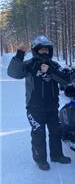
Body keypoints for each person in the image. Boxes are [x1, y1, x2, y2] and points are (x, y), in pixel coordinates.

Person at [7, 35, 71, 171]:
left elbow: (66, 80)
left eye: (46, 50)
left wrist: (50, 71)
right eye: (41, 50)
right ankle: (40, 160)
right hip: (34, 108)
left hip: (53, 107)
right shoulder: (30, 65)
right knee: (38, 133)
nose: (44, 52)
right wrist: (19, 55)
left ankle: (57, 155)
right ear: (36, 51)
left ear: (50, 51)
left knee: (55, 132)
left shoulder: (54, 65)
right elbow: (13, 73)